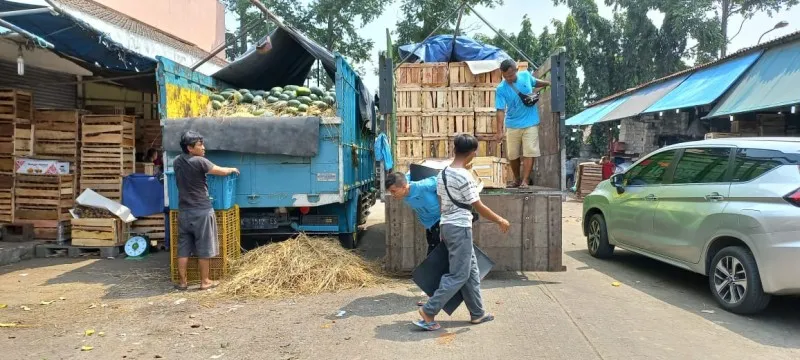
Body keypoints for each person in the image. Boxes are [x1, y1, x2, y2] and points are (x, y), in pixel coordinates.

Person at [414, 134, 511, 331]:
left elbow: (443, 203)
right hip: (460, 229)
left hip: (448, 227)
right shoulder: (464, 176)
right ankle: (429, 310)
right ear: (472, 153)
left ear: (455, 149)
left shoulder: (443, 173)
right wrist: (500, 219)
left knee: (471, 271)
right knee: (459, 274)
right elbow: (478, 206)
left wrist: (443, 227)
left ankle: (477, 313)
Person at [173, 131, 239, 291]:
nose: (204, 147)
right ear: (190, 148)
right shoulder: (199, 162)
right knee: (204, 247)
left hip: (184, 211)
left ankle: (182, 282)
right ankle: (205, 281)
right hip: (201, 210)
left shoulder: (177, 161)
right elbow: (220, 171)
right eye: (200, 145)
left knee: (183, 247)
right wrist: (232, 169)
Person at [385, 172, 442, 305]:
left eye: (394, 191)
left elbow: (440, 179)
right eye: (390, 192)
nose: (392, 195)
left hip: (441, 221)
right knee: (436, 255)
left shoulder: (423, 186)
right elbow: (409, 174)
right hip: (429, 225)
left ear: (404, 187)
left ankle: (431, 293)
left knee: (433, 257)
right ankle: (435, 290)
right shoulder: (405, 187)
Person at [494, 59, 551, 188]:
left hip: (530, 123)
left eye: (510, 75)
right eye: (505, 76)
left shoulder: (525, 75)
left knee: (529, 152)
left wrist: (548, 83)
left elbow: (535, 82)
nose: (508, 78)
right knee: (513, 154)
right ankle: (517, 179)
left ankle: (525, 180)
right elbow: (500, 110)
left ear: (516, 70)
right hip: (512, 124)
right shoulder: (501, 89)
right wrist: (499, 130)